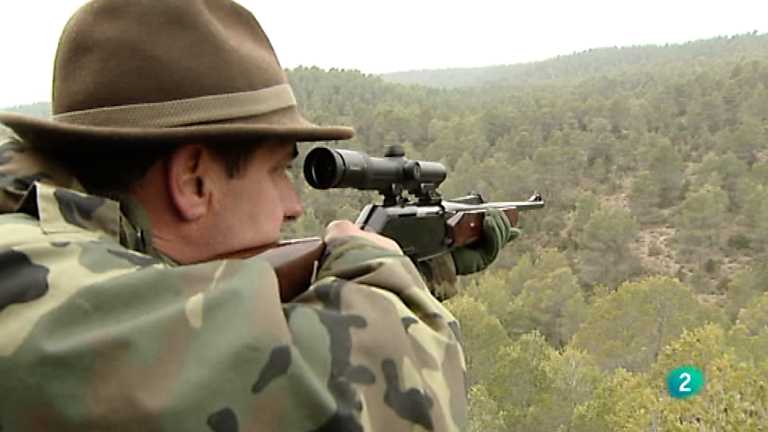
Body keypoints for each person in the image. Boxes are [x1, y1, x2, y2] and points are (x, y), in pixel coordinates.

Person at [0, 0, 519, 430]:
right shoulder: (48, 312)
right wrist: (383, 273)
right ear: (193, 182)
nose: (294, 206)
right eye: (278, 171)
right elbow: (394, 401)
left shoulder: (44, 239)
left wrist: (422, 266)